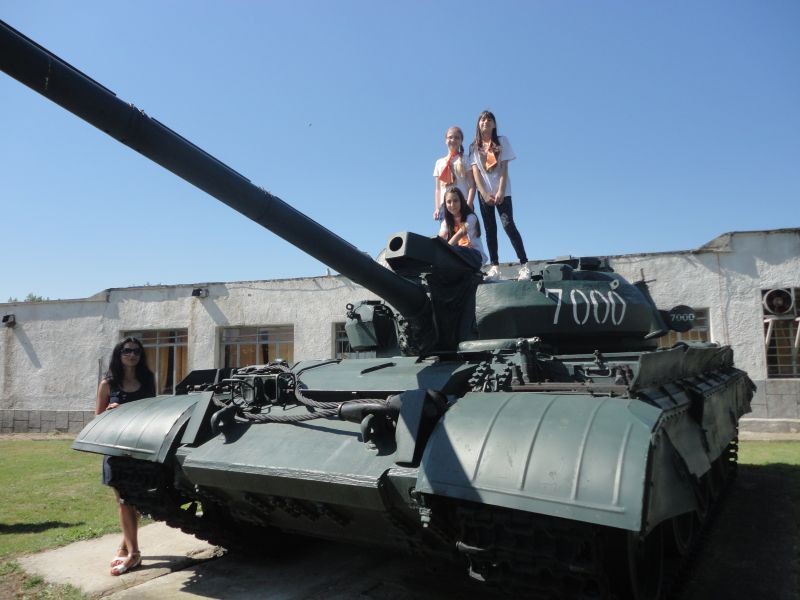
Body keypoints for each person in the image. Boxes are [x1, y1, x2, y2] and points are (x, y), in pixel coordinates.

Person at [95, 337, 155, 576]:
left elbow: (153, 412)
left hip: (139, 447)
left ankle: (125, 547)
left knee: (135, 500)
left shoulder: (147, 380)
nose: (132, 355)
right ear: (119, 354)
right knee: (123, 500)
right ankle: (134, 554)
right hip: (116, 448)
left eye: (137, 352)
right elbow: (97, 419)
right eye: (127, 351)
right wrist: (110, 412)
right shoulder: (108, 384)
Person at [468, 111, 531, 281]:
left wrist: (501, 191)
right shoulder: (474, 147)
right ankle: (495, 267)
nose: (486, 122)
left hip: (503, 193)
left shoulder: (502, 141)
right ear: (478, 124)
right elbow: (475, 172)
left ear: (494, 124)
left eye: (489, 119)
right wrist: (483, 193)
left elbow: (504, 168)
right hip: (484, 194)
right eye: (482, 119)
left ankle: (524, 264)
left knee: (508, 225)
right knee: (490, 229)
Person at [432, 126, 475, 222]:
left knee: (464, 230)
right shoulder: (439, 162)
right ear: (445, 140)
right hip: (445, 205)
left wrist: (469, 204)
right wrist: (437, 208)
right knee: (445, 230)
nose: (453, 140)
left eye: (457, 137)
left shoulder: (465, 159)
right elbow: (438, 189)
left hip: (463, 202)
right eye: (450, 137)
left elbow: (472, 185)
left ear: (461, 141)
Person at [438, 187, 487, 268]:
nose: (452, 205)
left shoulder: (471, 217)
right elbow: (441, 236)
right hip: (458, 253)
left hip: (475, 255)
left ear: (461, 201)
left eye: (455, 201)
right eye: (449, 202)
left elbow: (460, 233)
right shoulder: (446, 222)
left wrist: (446, 250)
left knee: (455, 250)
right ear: (445, 205)